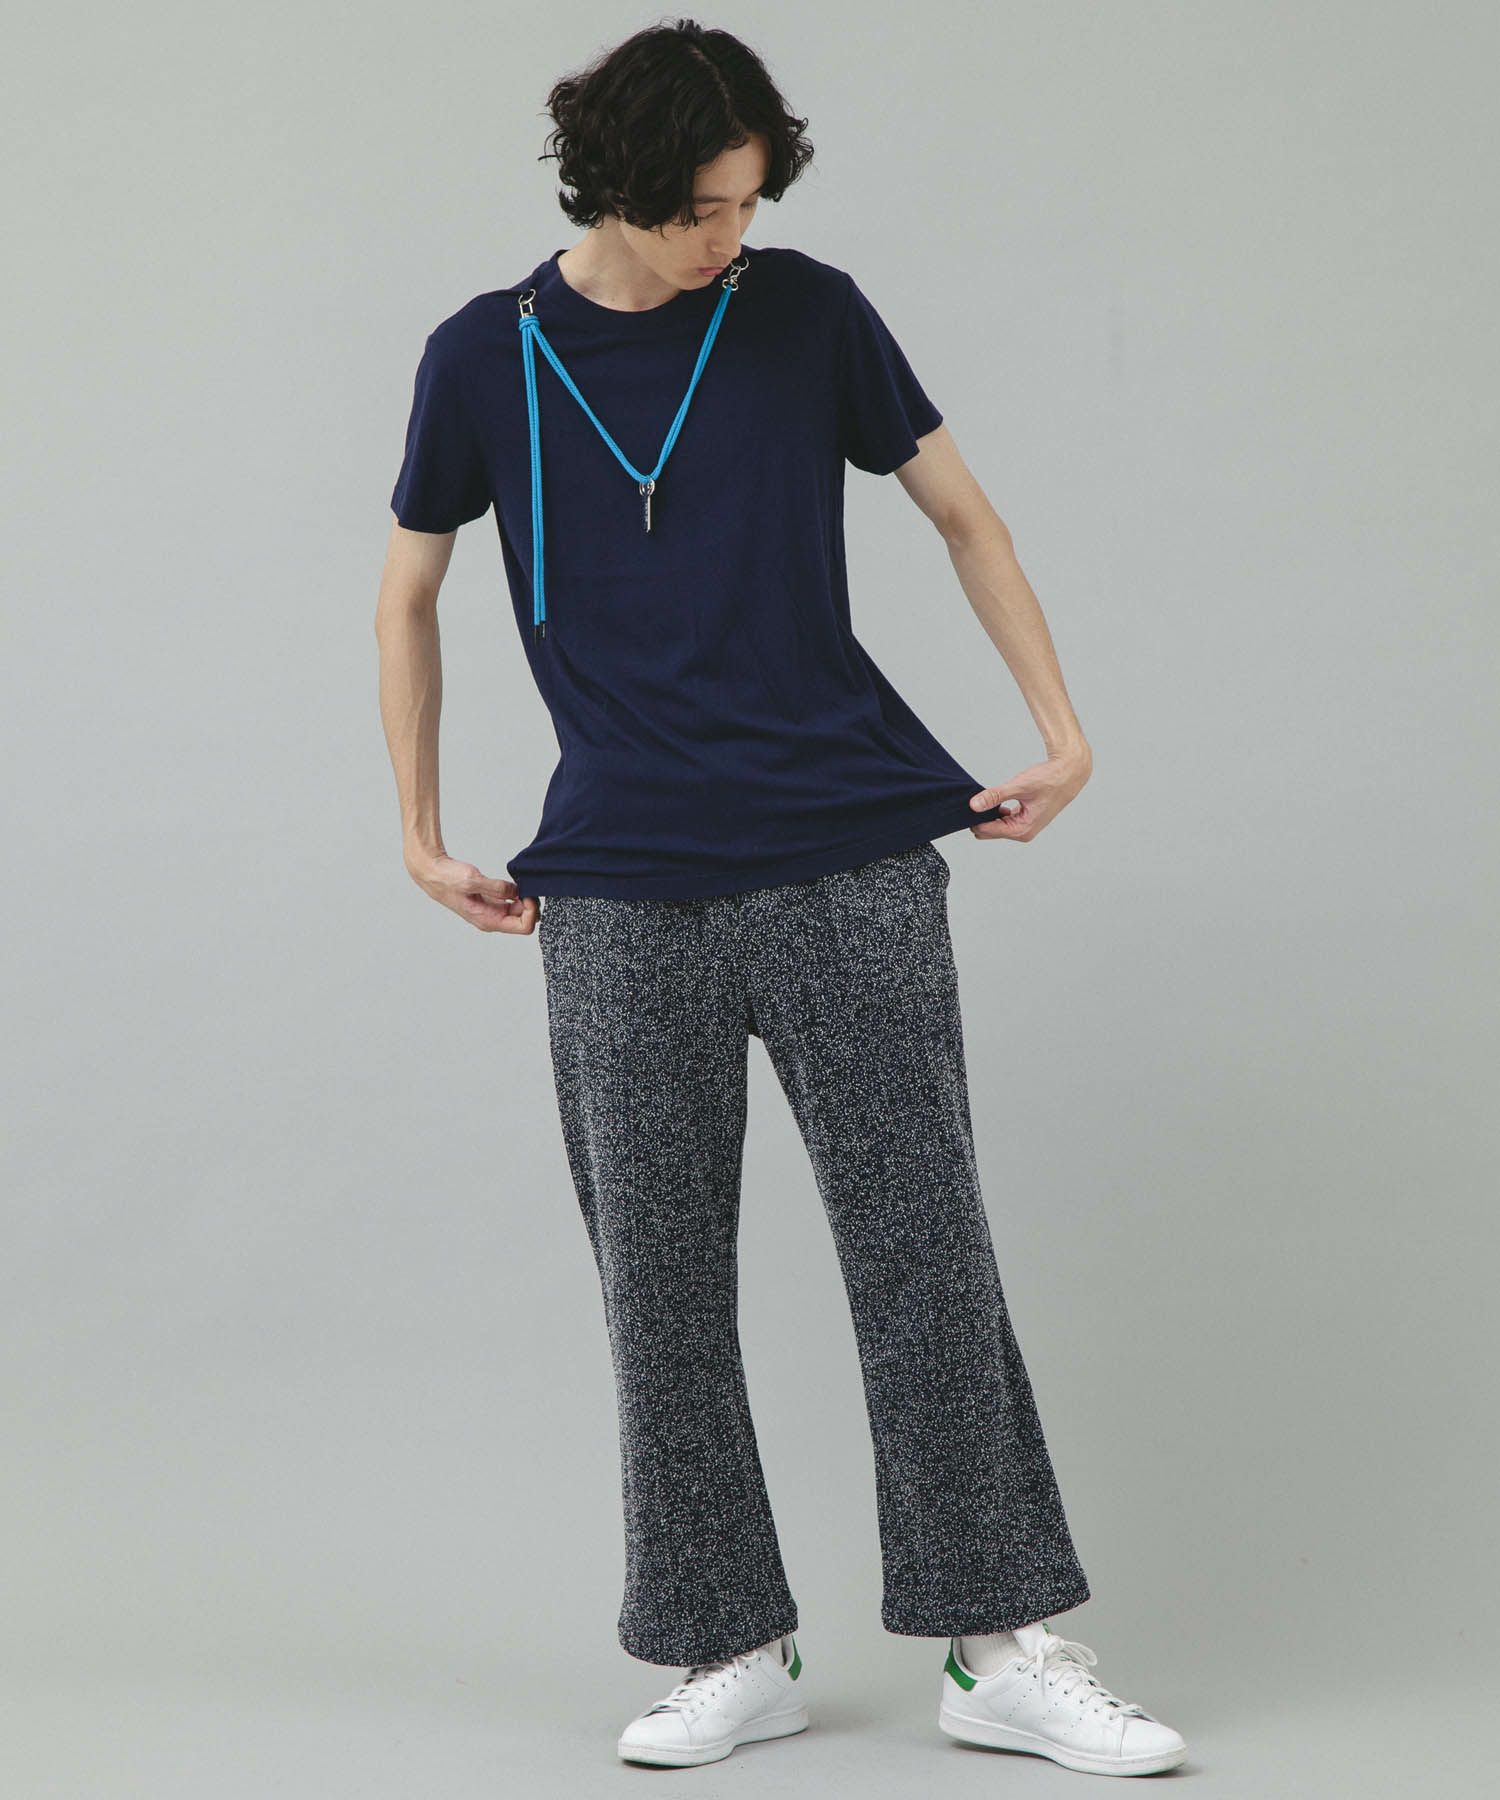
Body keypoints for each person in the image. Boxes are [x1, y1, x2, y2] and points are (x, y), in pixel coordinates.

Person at [374, 18, 1188, 1779]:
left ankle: (997, 1649)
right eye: (701, 209)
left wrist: (1063, 730)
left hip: (848, 859)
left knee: (926, 1259)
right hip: (617, 893)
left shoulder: (809, 313)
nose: (729, 236)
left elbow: (963, 515)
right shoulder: (483, 356)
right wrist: (420, 831)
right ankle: (728, 1646)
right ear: (613, 186)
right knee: (658, 1288)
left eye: (748, 203)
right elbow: (408, 592)